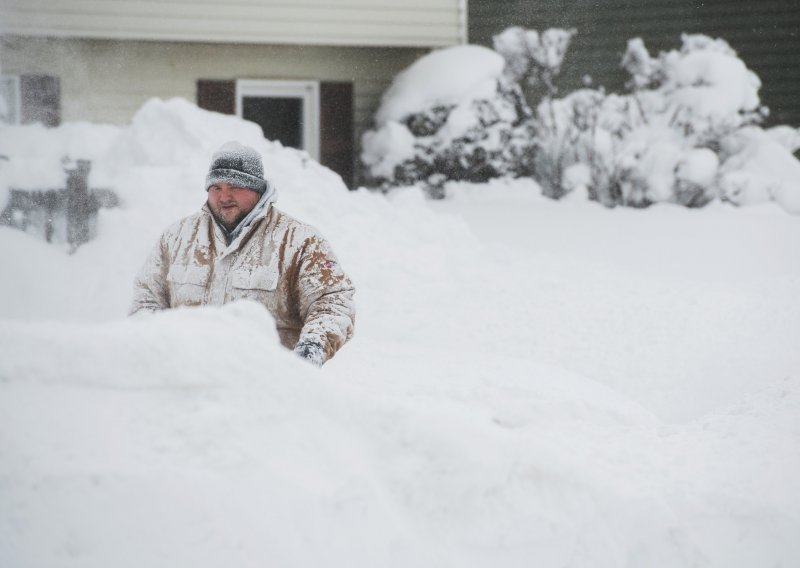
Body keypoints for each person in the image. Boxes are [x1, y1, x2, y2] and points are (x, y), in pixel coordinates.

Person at [129, 141, 355, 366]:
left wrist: (311, 349)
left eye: (235, 187)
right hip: (187, 382)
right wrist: (149, 348)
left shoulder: (299, 241)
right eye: (216, 188)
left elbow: (332, 302)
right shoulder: (177, 238)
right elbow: (147, 297)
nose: (224, 197)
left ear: (257, 190)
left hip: (264, 385)